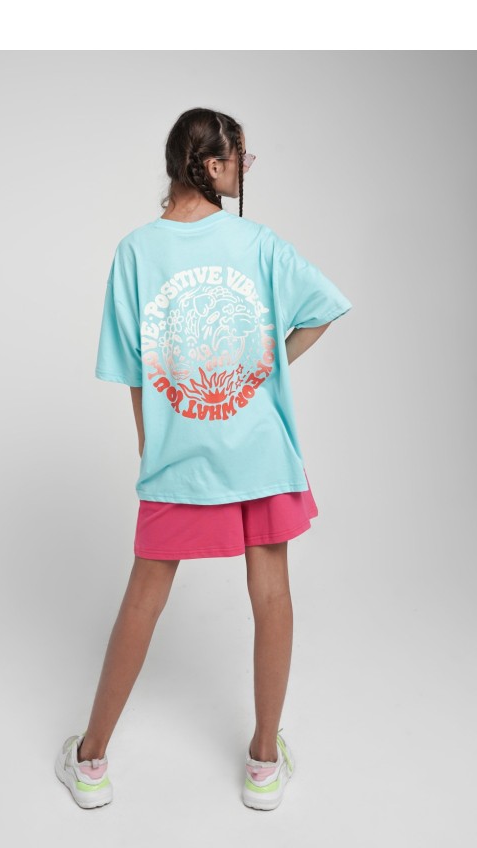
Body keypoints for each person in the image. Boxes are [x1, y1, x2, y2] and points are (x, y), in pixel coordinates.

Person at [55, 107, 352, 811]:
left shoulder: (135, 251)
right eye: (242, 157)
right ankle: (263, 763)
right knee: (272, 593)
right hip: (260, 447)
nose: (248, 168)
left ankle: (91, 761)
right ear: (213, 165)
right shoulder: (257, 242)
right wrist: (266, 370)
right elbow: (324, 306)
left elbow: (132, 368)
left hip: (179, 454)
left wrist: (150, 442)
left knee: (144, 596)